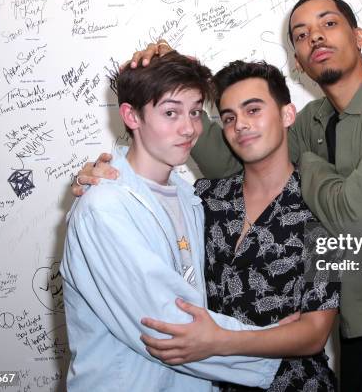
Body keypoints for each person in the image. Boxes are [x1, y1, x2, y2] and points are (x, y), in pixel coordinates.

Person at [76, 0, 362, 392]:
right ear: (299, 61)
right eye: (302, 34)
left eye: (329, 24)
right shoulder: (316, 121)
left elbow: (355, 215)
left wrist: (305, 161)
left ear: (359, 36)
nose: (316, 37)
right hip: (360, 334)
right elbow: (238, 155)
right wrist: (127, 167)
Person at [61, 52, 283, 391]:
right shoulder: (104, 208)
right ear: (131, 116)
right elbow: (169, 328)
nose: (189, 128)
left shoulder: (191, 197)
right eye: (170, 112)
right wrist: (281, 344)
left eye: (195, 112)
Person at [141, 60, 339, 392]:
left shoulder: (319, 206)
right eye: (230, 117)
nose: (240, 125)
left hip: (295, 384)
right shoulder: (204, 199)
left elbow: (314, 332)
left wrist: (220, 340)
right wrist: (103, 174)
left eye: (253, 110)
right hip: (208, 382)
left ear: (287, 115)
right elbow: (140, 195)